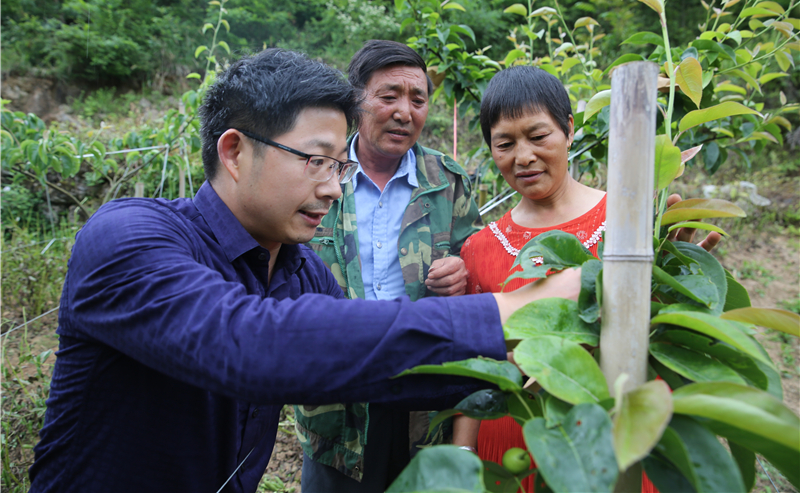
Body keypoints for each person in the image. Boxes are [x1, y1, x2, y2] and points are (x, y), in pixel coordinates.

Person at [28, 49, 582, 493]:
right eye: (316, 160)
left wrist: (536, 358)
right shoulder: (128, 238)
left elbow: (376, 364)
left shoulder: (297, 270)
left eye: (340, 165)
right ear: (235, 152)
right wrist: (506, 313)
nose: (333, 186)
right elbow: (252, 344)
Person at [454, 65, 721, 493]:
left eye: (538, 136)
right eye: (505, 143)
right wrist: (463, 459)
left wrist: (681, 293)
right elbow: (478, 371)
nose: (523, 157)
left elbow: (677, 349)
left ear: (569, 130)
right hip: (512, 444)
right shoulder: (479, 249)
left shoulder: (634, 222)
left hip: (615, 438)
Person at [294, 40, 482, 492]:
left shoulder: (447, 182)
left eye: (418, 99)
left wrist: (459, 272)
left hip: (424, 393)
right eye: (389, 95)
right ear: (357, 99)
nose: (405, 111)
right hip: (335, 399)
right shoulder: (318, 173)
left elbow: (475, 267)